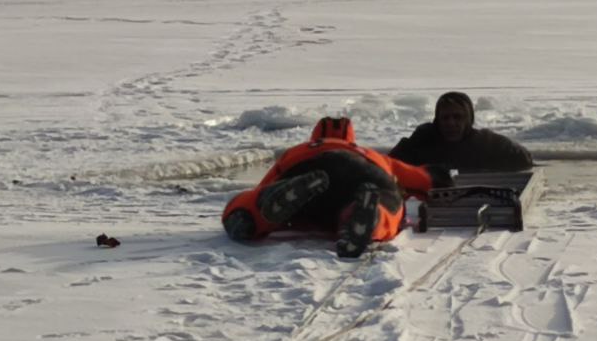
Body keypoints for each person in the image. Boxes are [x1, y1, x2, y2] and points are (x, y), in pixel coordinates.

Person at [222, 117, 451, 258]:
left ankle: (251, 214)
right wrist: (437, 178)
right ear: (351, 138)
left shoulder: (299, 149)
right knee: (388, 204)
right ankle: (369, 217)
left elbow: (267, 183)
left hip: (306, 167)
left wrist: (259, 196)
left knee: (254, 199)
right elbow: (420, 179)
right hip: (363, 171)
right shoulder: (369, 153)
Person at [389, 91, 533, 172]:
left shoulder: (484, 142)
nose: (451, 123)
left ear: (468, 119)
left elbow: (524, 159)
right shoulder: (424, 138)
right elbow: (388, 164)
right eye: (445, 118)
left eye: (457, 117)